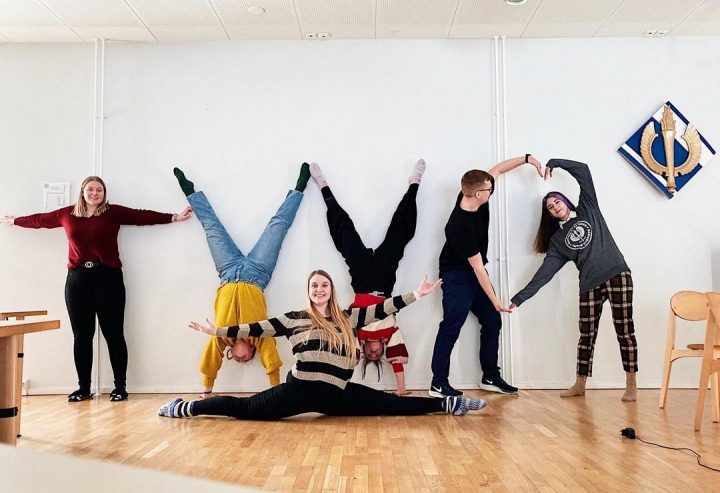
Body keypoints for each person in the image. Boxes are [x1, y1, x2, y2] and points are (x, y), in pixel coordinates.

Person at [158, 270, 488, 419]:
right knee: (244, 409)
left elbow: (383, 308)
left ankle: (451, 405)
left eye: (324, 285)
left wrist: (416, 294)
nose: (319, 290)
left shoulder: (347, 318)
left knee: (391, 405)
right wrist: (217, 331)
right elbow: (259, 327)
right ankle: (185, 408)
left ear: (331, 290)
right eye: (314, 285)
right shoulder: (295, 318)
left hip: (336, 394)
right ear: (309, 291)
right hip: (297, 391)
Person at [1, 176, 192, 402]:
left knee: (114, 334)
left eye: (99, 190)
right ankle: (83, 389)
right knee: (82, 336)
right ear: (83, 191)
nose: (94, 193)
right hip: (77, 280)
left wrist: (174, 217)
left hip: (108, 279)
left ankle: (120, 387)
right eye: (90, 189)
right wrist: (14, 221)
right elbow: (40, 220)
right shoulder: (67, 214)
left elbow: (142, 216)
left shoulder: (112, 212)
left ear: (104, 193)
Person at [172, 164, 309, 397]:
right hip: (257, 273)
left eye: (235, 359)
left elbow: (209, 362)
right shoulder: (261, 336)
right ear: (251, 352)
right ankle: (299, 188)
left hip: (227, 271)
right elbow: (272, 361)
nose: (238, 358)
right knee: (278, 226)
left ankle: (189, 190)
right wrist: (276, 393)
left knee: (211, 225)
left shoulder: (221, 337)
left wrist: (206, 392)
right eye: (244, 359)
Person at [508, 159, 638, 401]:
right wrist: (519, 298)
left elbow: (584, 170)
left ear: (566, 202)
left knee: (624, 330)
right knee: (586, 335)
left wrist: (554, 163)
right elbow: (544, 275)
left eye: (556, 201)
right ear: (548, 214)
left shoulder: (589, 209)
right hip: (589, 285)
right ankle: (580, 384)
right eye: (549, 207)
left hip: (617, 274)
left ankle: (631, 384)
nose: (554, 206)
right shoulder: (557, 242)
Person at [429, 154, 543, 398]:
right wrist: (496, 301)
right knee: (452, 325)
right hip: (456, 275)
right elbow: (479, 269)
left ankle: (490, 375)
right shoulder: (461, 227)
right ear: (479, 194)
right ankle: (438, 383)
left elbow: (498, 169)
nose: (492, 190)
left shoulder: (473, 195)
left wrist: (527, 159)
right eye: (489, 189)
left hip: (472, 272)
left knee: (492, 320)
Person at [309, 160, 426, 394]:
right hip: (384, 280)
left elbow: (349, 358)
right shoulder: (390, 332)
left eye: (368, 354)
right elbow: (397, 358)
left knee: (346, 236)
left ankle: (323, 187)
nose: (373, 352)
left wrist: (349, 371)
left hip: (361, 279)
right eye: (376, 354)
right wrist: (401, 390)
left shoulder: (356, 333)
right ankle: (415, 184)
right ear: (382, 347)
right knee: (399, 234)